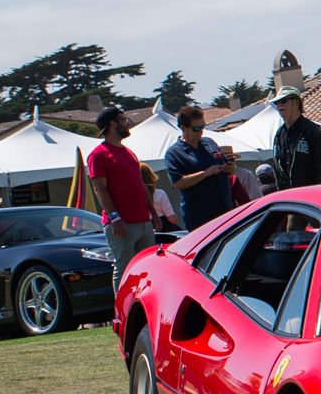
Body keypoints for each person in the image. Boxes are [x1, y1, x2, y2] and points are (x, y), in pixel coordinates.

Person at [86, 105, 155, 292]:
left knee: (147, 267)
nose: (127, 124)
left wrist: (153, 213)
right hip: (121, 223)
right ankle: (122, 312)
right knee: (124, 267)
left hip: (142, 221)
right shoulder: (98, 155)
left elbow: (141, 185)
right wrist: (114, 217)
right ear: (112, 124)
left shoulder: (129, 152)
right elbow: (100, 189)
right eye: (123, 120)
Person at [165, 105, 234, 231]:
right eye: (196, 128)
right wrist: (205, 174)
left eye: (203, 126)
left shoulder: (210, 143)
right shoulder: (174, 153)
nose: (201, 131)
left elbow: (230, 173)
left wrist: (230, 166)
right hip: (199, 218)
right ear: (183, 128)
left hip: (225, 211)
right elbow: (178, 183)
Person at [270, 86, 321, 189]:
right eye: (276, 102)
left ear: (296, 102)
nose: (279, 105)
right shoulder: (279, 134)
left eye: (283, 100)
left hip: (312, 195)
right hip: (289, 198)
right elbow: (278, 172)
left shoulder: (311, 130)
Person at [140, 163, 181, 229]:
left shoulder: (135, 198)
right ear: (152, 176)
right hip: (163, 227)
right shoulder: (160, 193)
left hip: (145, 229)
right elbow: (172, 219)